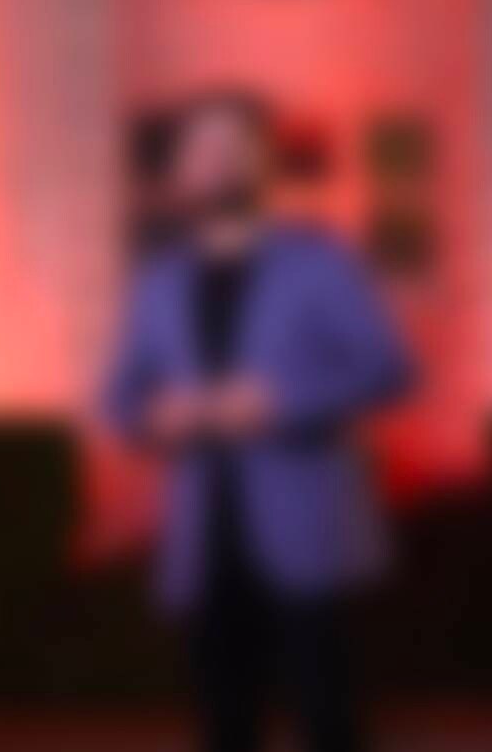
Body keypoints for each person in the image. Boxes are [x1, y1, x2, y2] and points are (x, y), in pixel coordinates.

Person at [102, 88, 416, 752]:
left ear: (260, 162)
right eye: (201, 147)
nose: (217, 159)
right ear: (179, 170)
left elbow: (387, 366)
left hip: (308, 536)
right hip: (202, 543)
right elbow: (118, 398)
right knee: (224, 726)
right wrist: (155, 415)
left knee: (329, 721)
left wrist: (284, 399)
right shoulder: (158, 282)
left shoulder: (319, 260)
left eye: (233, 144)